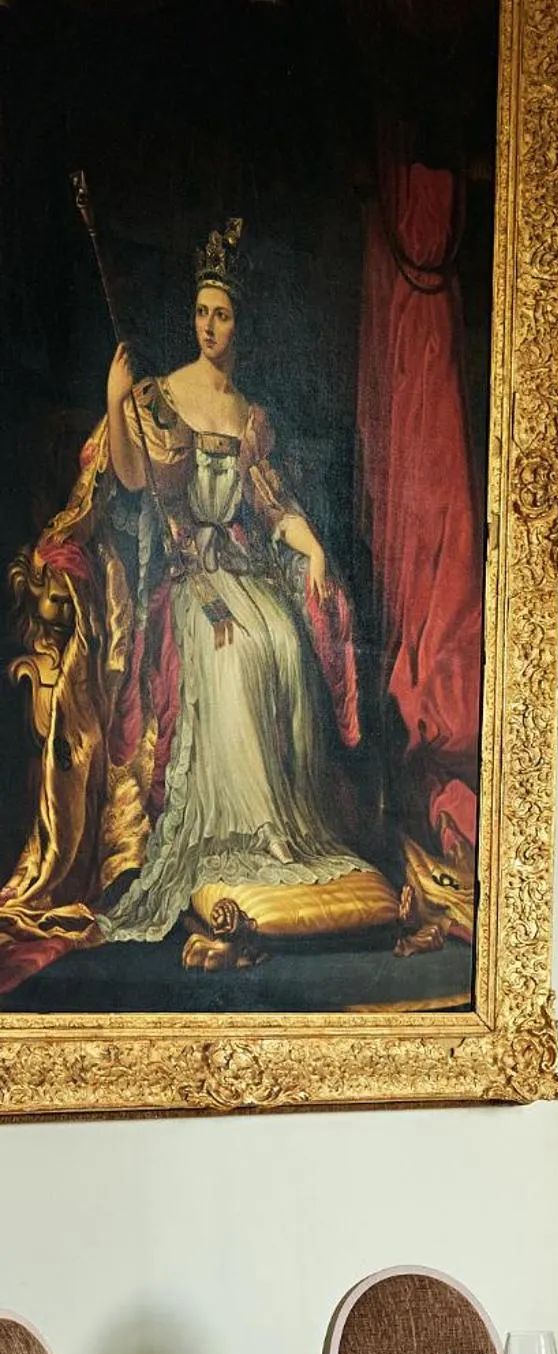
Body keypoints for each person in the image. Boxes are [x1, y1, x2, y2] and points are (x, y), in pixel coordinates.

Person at [0, 217, 395, 987]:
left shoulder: (250, 418)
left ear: (240, 325)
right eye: (202, 312)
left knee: (281, 635)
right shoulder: (160, 397)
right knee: (231, 648)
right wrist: (116, 399)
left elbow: (274, 509)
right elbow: (132, 478)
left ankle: (277, 829)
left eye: (223, 315)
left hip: (241, 571)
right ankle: (224, 835)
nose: (210, 326)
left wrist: (312, 547)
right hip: (183, 581)